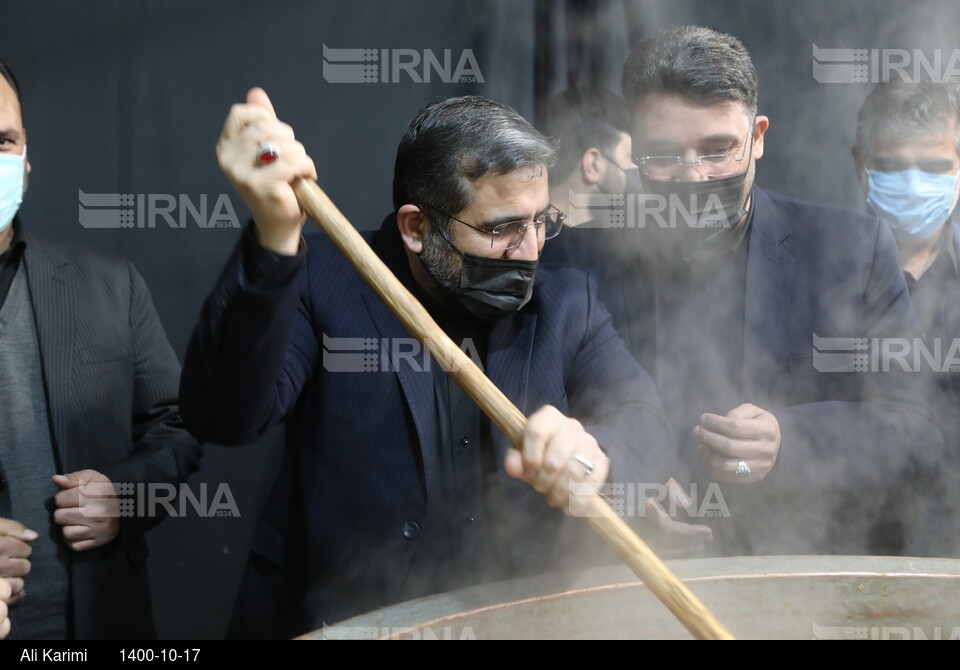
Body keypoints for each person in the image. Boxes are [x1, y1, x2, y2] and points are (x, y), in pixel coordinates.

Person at [179, 88, 678, 639]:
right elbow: (226, 413)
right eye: (501, 229)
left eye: (542, 220)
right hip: (346, 620)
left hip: (517, 622)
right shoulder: (324, 277)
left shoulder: (566, 300)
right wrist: (275, 239)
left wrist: (594, 457)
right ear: (417, 228)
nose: (532, 248)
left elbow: (645, 422)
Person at [553, 26, 943, 557]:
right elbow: (546, 429)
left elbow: (914, 431)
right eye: (663, 155)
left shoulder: (849, 250)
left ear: (757, 137)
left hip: (800, 582)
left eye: (717, 150)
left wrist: (789, 442)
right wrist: (621, 498)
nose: (693, 179)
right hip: (632, 585)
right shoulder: (577, 264)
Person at [0, 58, 202, 640]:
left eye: (2, 140)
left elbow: (179, 424)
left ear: (27, 159)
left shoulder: (107, 284)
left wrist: (129, 496)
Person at [852, 81, 960, 556]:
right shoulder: (814, 272)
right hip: (841, 551)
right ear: (860, 164)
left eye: (936, 167)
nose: (915, 185)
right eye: (893, 167)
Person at [540, 89, 638, 228]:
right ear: (593, 165)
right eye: (629, 157)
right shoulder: (537, 245)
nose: (635, 167)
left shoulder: (536, 237)